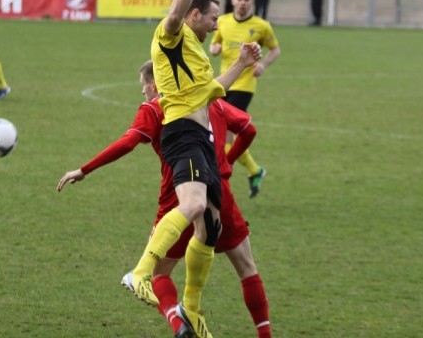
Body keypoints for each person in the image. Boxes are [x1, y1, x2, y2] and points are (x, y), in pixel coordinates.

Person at [56, 61, 273, 338]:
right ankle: (259, 333)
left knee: (160, 274)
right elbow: (249, 130)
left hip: (178, 196)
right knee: (246, 267)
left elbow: (128, 142)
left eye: (143, 87)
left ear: (155, 85)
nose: (143, 94)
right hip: (220, 194)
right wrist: (223, 167)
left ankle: (176, 320)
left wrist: (84, 169)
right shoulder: (211, 102)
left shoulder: (156, 108)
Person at [124, 0, 262, 337]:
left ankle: (193, 310)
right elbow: (172, 14)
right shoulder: (171, 36)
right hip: (182, 133)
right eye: (214, 17)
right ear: (195, 15)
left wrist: (242, 64)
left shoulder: (198, 54)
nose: (217, 25)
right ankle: (141, 273)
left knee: (210, 228)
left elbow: (214, 90)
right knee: (195, 204)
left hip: (203, 138)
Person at [209, 0, 280, 197]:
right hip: (223, 83)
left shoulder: (261, 26)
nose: (242, 3)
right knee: (224, 139)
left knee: (224, 137)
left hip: (245, 86)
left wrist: (263, 64)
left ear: (252, 1)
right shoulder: (222, 21)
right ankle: (254, 170)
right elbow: (214, 45)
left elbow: (275, 49)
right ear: (232, 0)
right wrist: (215, 49)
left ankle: (222, 174)